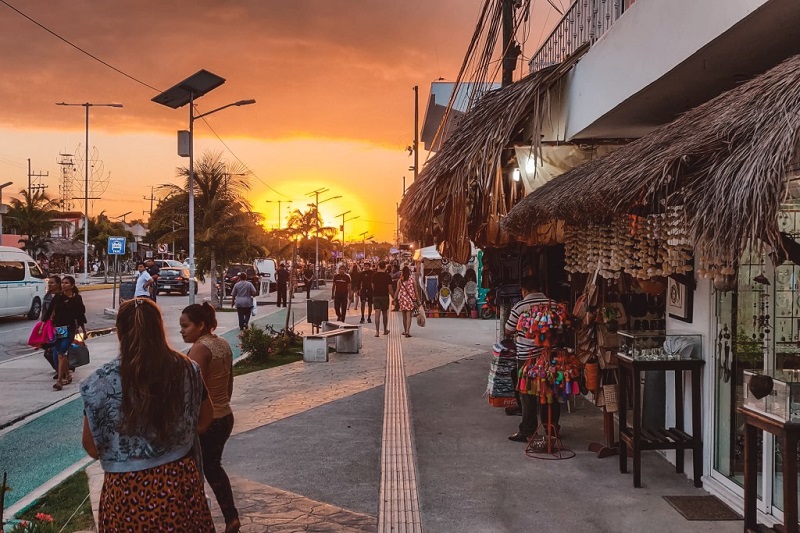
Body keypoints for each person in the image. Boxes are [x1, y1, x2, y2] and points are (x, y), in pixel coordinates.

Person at [80, 298, 215, 531]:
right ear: (159, 328)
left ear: (119, 332)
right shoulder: (187, 369)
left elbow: (92, 447)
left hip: (125, 492)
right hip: (178, 484)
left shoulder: (98, 383)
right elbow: (204, 420)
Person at [181, 303, 241, 533]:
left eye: (186, 326)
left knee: (195, 471)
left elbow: (192, 390)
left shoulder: (199, 349)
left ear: (201, 325)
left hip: (207, 420)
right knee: (213, 467)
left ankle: (199, 522)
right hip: (225, 415)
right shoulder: (222, 343)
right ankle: (231, 517)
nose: (182, 331)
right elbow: (229, 384)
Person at [505, 276, 559, 443]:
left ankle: (528, 429)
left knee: (527, 393)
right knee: (549, 391)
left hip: (526, 356)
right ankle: (551, 427)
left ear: (524, 290)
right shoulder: (553, 304)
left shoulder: (520, 306)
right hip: (549, 355)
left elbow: (508, 329)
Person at [41, 275, 86, 390]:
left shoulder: (77, 299)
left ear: (72, 285)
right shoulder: (58, 297)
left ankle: (60, 380)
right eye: (63, 282)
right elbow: (49, 312)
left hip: (70, 328)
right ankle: (68, 375)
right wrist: (42, 326)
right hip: (60, 329)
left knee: (61, 353)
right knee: (61, 353)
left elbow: (81, 315)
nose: (64, 285)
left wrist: (83, 330)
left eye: (66, 283)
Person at [41, 275, 61, 374]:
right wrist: (42, 325)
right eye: (49, 283)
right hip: (50, 327)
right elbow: (45, 312)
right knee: (49, 349)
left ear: (58, 284)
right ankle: (60, 369)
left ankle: (61, 372)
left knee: (58, 349)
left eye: (52, 283)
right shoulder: (47, 296)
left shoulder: (62, 296)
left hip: (61, 326)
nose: (50, 285)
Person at [394, 266, 418, 337]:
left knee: (404, 316)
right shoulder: (412, 280)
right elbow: (416, 291)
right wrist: (418, 300)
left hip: (402, 299)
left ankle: (405, 330)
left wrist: (394, 299)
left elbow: (397, 290)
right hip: (410, 300)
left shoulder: (400, 280)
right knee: (409, 316)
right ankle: (407, 331)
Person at [371, 261, 393, 337]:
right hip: (384, 296)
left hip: (376, 296)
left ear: (378, 267)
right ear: (385, 267)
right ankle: (385, 330)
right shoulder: (388, 276)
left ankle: (377, 332)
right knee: (384, 314)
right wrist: (394, 298)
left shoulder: (374, 275)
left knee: (377, 314)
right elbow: (390, 288)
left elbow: (372, 286)